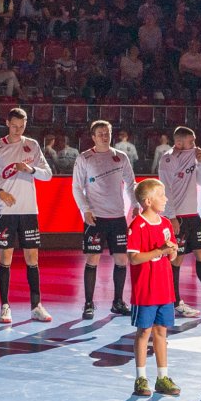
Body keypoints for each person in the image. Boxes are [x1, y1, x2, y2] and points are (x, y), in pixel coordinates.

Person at [0, 108, 55, 325]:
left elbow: (48, 175)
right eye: (14, 126)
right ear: (7, 123)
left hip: (29, 209)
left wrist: (31, 170)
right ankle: (5, 306)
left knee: (33, 258)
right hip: (5, 210)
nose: (18, 130)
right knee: (6, 257)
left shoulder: (32, 145)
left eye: (21, 126)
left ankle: (36, 306)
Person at [72, 119, 137, 319]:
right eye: (100, 133)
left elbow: (131, 183)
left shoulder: (121, 156)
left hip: (117, 217)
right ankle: (88, 304)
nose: (104, 136)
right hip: (95, 217)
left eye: (107, 132)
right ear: (93, 137)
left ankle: (118, 302)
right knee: (93, 259)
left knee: (122, 259)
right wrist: (85, 210)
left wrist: (135, 204)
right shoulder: (85, 158)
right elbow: (76, 187)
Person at [126, 178, 183, 397]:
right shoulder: (137, 226)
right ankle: (141, 378)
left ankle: (162, 377)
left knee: (161, 331)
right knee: (144, 332)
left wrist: (172, 250)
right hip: (145, 291)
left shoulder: (166, 224)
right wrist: (159, 251)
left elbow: (171, 255)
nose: (166, 199)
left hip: (164, 289)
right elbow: (134, 258)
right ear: (148, 201)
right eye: (161, 195)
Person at [155, 125, 201, 317]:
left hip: (193, 215)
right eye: (191, 141)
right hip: (177, 217)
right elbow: (165, 190)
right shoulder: (168, 159)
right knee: (176, 259)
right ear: (178, 143)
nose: (195, 144)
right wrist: (171, 217)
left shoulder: (194, 154)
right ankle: (175, 301)